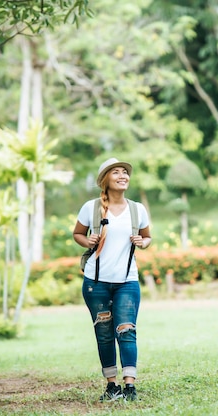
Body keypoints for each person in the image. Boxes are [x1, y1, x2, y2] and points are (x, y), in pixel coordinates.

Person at [72, 157, 152, 402]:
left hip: (127, 281)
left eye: (125, 172)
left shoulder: (137, 209)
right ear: (105, 179)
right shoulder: (91, 207)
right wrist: (88, 241)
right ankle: (112, 386)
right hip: (96, 283)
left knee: (126, 331)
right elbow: (77, 233)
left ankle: (129, 386)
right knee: (104, 334)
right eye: (116, 172)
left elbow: (147, 237)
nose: (122, 176)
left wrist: (143, 242)